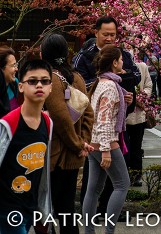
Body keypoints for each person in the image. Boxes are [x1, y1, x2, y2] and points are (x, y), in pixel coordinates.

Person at [41, 33, 94, 234]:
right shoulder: (77, 77)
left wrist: (78, 144)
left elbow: (60, 119)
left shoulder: (51, 80)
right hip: (74, 155)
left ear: (43, 53)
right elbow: (89, 114)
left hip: (56, 157)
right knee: (67, 210)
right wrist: (84, 141)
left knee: (50, 209)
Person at [0, 56, 53, 234]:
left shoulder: (48, 122)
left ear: (51, 87)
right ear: (21, 86)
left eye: (45, 81)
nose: (39, 85)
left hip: (31, 205)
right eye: (32, 81)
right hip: (7, 207)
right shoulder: (7, 124)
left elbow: (44, 170)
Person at [82, 45, 132, 234]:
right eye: (120, 59)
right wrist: (106, 150)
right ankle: (109, 230)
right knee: (122, 184)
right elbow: (104, 120)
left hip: (92, 141)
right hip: (106, 142)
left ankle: (89, 231)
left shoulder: (100, 82)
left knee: (93, 189)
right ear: (114, 62)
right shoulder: (111, 86)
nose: (123, 62)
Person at [125, 57, 153, 186]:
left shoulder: (142, 66)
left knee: (136, 147)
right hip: (124, 116)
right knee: (125, 148)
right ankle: (125, 175)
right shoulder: (119, 67)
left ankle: (136, 176)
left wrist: (141, 96)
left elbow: (148, 85)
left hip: (138, 115)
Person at [0, 47, 20, 118]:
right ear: (2, 69)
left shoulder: (15, 84)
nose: (16, 69)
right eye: (13, 65)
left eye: (16, 65)